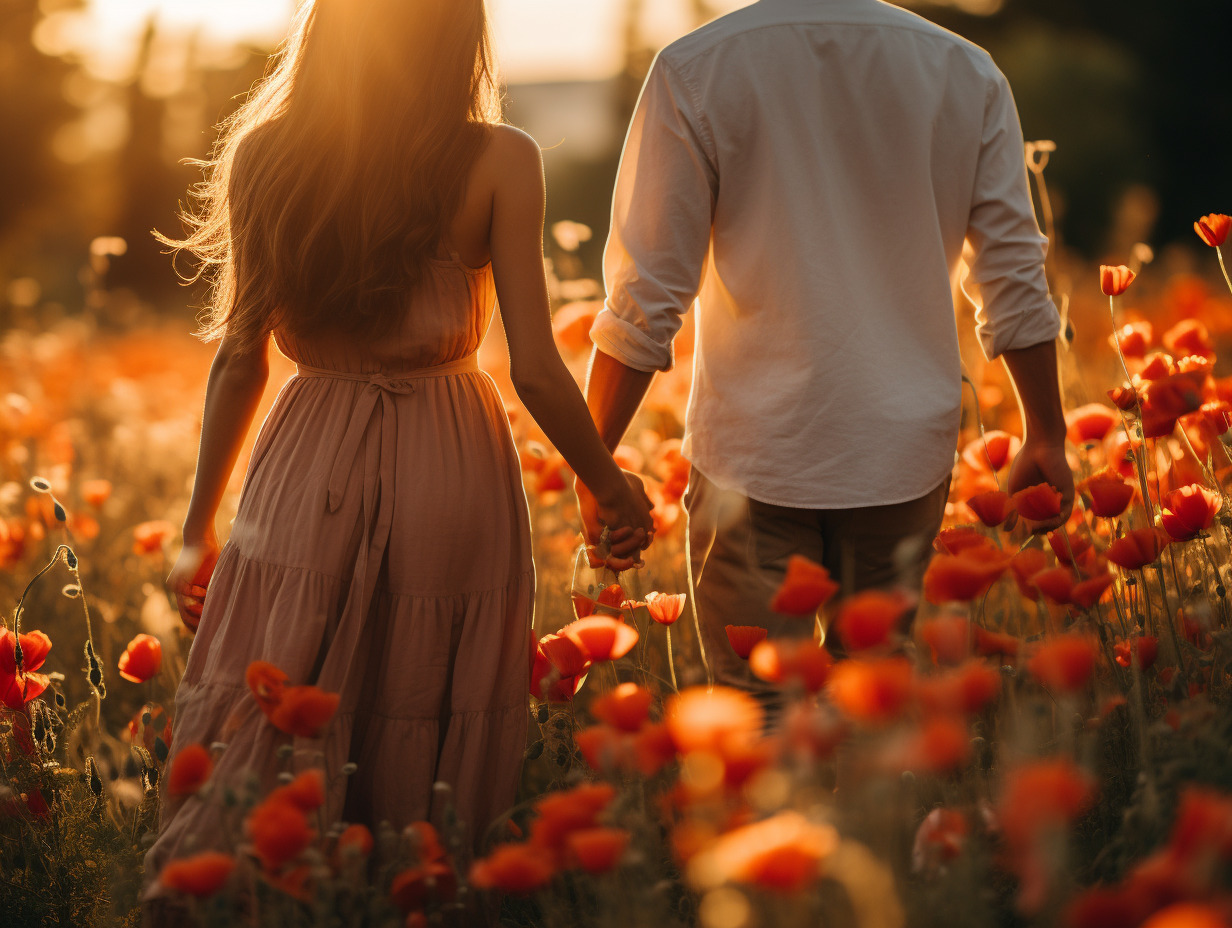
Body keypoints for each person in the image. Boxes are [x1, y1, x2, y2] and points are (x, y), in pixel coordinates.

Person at [142, 0, 653, 918]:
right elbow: (536, 369)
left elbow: (237, 361)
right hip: (449, 453)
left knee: (292, 670)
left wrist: (196, 532)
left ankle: (268, 891)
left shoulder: (266, 155)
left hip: (308, 451)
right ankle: (417, 890)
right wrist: (608, 484)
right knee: (428, 685)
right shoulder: (502, 159)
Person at [576, 0, 1074, 707]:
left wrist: (598, 456)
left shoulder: (695, 68)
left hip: (753, 457)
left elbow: (644, 297)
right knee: (875, 717)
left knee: (761, 720)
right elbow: (1014, 273)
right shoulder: (965, 71)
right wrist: (1046, 431)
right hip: (902, 454)